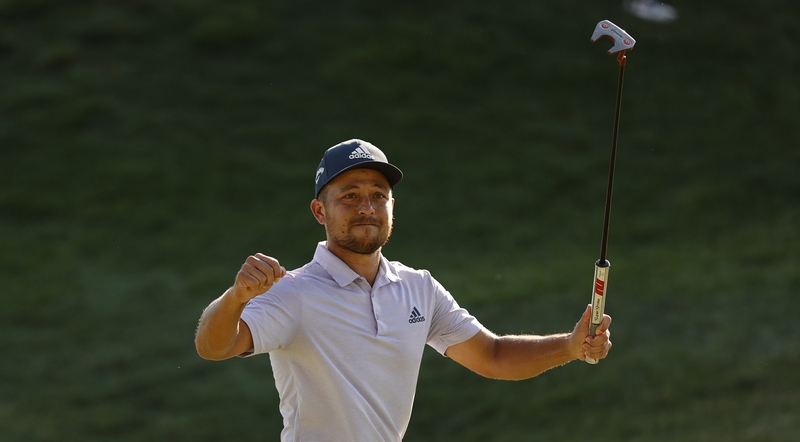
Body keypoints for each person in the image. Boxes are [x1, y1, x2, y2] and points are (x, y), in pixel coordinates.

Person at [194, 139, 613, 441]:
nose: (366, 207)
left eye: (379, 195)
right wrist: (236, 298)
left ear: (392, 207)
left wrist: (571, 346)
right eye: (350, 195)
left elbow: (494, 355)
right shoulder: (293, 292)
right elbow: (214, 346)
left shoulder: (419, 288)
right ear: (320, 210)